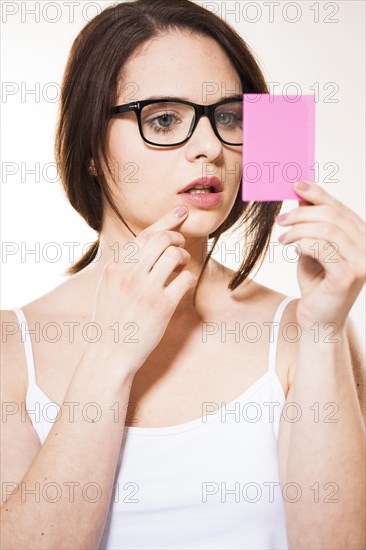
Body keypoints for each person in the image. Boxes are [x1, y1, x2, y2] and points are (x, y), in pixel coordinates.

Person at [1, 1, 365, 549]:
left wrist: (322, 330)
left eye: (230, 116)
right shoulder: (13, 347)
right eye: (163, 118)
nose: (210, 148)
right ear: (91, 150)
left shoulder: (304, 328)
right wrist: (112, 352)